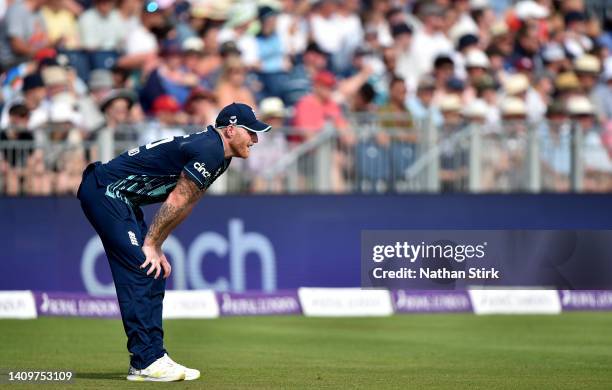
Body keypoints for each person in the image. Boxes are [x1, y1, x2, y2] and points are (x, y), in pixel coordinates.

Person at [77, 103, 271, 382]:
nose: (255, 139)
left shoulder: (219, 155)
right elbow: (178, 199)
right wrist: (152, 243)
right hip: (106, 192)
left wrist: (156, 244)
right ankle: (147, 362)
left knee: (153, 272)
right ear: (230, 130)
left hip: (123, 199)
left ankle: (150, 357)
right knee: (142, 268)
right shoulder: (210, 150)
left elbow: (187, 201)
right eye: (251, 132)